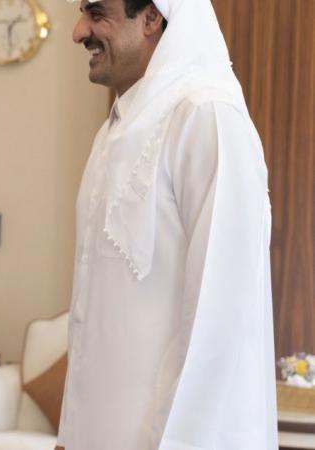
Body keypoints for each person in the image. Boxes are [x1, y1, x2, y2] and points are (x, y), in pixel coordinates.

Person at [55, 0, 277, 449]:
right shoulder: (113, 131)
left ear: (152, 17)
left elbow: (222, 316)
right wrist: (69, 434)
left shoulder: (207, 118)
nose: (78, 32)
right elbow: (89, 313)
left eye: (97, 13)